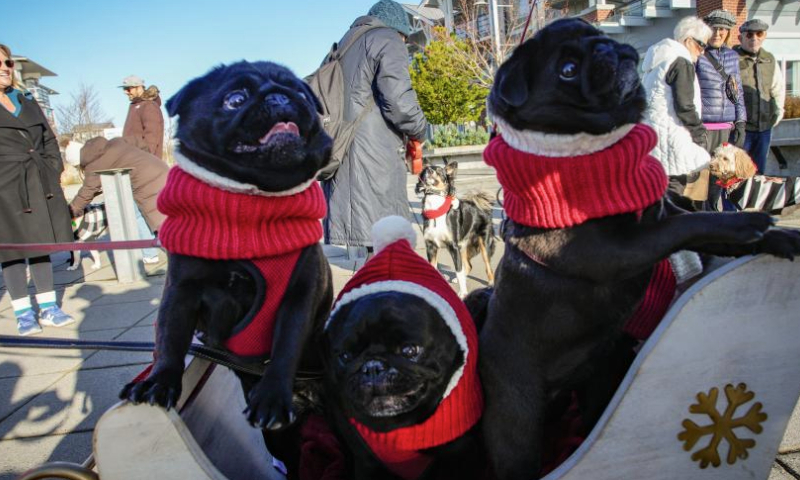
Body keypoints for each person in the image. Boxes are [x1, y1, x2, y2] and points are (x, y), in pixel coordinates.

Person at [322, 0, 428, 257]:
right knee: (387, 246)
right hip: (373, 156)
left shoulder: (345, 44)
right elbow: (399, 101)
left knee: (374, 247)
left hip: (345, 151)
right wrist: (420, 131)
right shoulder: (387, 39)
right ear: (399, 30)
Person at [0, 44, 75, 335]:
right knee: (12, 249)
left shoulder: (26, 99)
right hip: (6, 185)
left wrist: (52, 166)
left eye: (7, 62)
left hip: (38, 178)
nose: (5, 67)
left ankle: (49, 308)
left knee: (40, 243)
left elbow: (48, 137)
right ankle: (23, 313)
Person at [641, 17, 713, 205]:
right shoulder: (681, 61)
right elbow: (685, 104)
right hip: (671, 141)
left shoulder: (658, 61)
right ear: (688, 40)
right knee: (673, 194)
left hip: (653, 141)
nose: (703, 52)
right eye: (701, 45)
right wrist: (699, 133)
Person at [68, 137, 168, 264]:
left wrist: (70, 211)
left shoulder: (93, 164)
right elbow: (139, 143)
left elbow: (87, 192)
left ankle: (159, 254)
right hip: (160, 168)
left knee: (150, 218)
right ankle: (154, 251)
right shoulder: (114, 142)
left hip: (146, 181)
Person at [696, 9, 747, 210]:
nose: (717, 33)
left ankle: (713, 216)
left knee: (720, 178)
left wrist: (741, 122)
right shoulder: (698, 55)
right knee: (700, 180)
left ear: (728, 32)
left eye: (722, 29)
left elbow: (738, 90)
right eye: (714, 28)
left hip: (726, 128)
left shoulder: (732, 56)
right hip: (703, 128)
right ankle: (701, 220)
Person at [734, 19, 786, 174]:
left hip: (764, 128)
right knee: (736, 173)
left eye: (759, 34)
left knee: (759, 172)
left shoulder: (769, 59)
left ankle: (754, 199)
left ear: (764, 36)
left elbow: (778, 88)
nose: (754, 38)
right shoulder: (731, 58)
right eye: (749, 34)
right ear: (741, 38)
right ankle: (734, 199)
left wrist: (778, 112)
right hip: (741, 129)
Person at [120, 75, 164, 160]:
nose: (125, 92)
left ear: (139, 87)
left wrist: (145, 160)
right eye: (124, 89)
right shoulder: (135, 106)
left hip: (144, 164)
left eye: (128, 89)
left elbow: (152, 136)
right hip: (133, 161)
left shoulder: (149, 106)